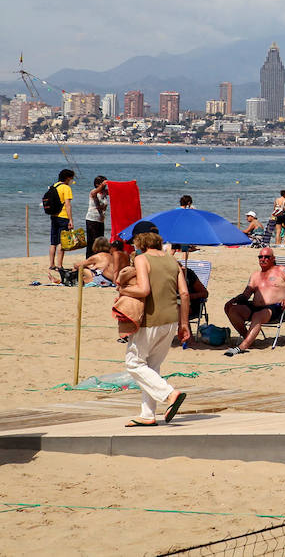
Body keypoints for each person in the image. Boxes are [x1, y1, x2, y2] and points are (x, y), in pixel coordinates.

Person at [116, 224, 189, 426]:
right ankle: (148, 415)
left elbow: (144, 290)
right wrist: (185, 325)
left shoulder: (141, 259)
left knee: (134, 363)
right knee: (152, 367)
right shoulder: (172, 260)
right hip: (171, 320)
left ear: (140, 240)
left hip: (150, 319)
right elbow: (184, 294)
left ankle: (169, 394)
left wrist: (123, 290)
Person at [222, 248, 285, 356]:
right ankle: (247, 338)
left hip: (276, 308)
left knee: (257, 315)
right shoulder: (255, 275)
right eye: (260, 257)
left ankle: (242, 347)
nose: (263, 259)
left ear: (273, 259)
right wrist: (233, 301)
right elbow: (246, 295)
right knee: (231, 309)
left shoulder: (281, 271)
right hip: (255, 307)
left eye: (267, 257)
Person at [46, 168, 76, 284]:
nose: (72, 181)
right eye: (71, 178)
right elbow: (68, 205)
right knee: (61, 242)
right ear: (68, 178)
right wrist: (70, 219)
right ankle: (59, 265)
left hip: (53, 216)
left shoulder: (54, 186)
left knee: (53, 241)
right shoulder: (66, 188)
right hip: (63, 216)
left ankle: (51, 264)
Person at [85, 176, 109, 256]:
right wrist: (102, 185)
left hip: (100, 220)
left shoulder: (104, 192)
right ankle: (90, 258)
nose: (104, 186)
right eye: (102, 184)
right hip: (91, 220)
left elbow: (116, 190)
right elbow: (94, 193)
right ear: (97, 184)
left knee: (100, 240)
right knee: (92, 241)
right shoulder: (93, 192)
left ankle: (99, 257)